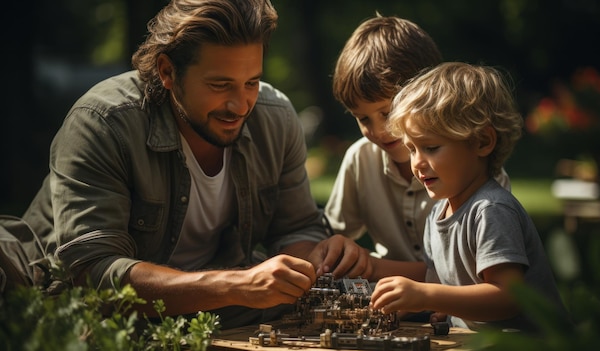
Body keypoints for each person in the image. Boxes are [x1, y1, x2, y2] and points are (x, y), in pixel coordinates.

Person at [18, 0, 369, 329]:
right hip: (71, 313)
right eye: (220, 85)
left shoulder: (275, 118)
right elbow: (92, 273)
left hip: (214, 311)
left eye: (252, 82)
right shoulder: (103, 123)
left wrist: (316, 258)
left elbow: (296, 229)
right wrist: (235, 284)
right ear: (167, 71)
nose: (240, 105)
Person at [370, 62, 571, 333]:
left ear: (481, 142)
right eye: (412, 149)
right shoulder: (436, 215)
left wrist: (427, 296)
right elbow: (446, 289)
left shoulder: (491, 210)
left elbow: (508, 298)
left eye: (430, 147)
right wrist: (416, 304)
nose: (417, 163)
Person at [324, 14, 510, 282]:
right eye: (363, 118)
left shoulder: (470, 168)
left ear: (427, 95)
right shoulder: (361, 157)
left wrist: (374, 267)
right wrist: (339, 250)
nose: (377, 131)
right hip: (395, 304)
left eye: (387, 113)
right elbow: (334, 233)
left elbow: (472, 278)